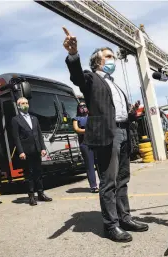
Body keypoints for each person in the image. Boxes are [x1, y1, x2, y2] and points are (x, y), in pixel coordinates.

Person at [62, 26, 148, 243]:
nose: (113, 60)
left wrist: (130, 113)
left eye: (113, 56)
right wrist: (73, 55)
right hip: (106, 136)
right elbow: (76, 77)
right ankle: (111, 225)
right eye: (108, 56)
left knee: (123, 180)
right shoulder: (91, 79)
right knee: (108, 182)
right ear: (97, 61)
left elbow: (113, 110)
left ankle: (125, 217)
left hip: (123, 132)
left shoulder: (114, 84)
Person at [11, 97, 53, 206]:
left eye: (26, 103)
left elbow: (39, 134)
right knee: (29, 174)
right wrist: (20, 151)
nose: (25, 105)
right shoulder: (16, 120)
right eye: (22, 103)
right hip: (26, 151)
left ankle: (40, 193)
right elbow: (16, 138)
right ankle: (31, 196)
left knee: (38, 172)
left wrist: (43, 148)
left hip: (36, 150)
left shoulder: (34, 118)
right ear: (18, 106)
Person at [73, 101, 99, 193]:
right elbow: (76, 129)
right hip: (85, 144)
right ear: (78, 108)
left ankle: (104, 184)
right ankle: (93, 186)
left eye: (84, 105)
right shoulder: (76, 118)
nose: (83, 107)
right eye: (81, 106)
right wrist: (88, 130)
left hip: (96, 143)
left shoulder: (92, 116)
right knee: (90, 165)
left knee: (99, 164)